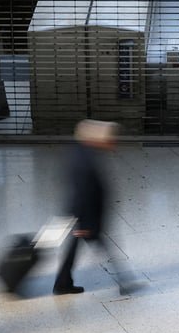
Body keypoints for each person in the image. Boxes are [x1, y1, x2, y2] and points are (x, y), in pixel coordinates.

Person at [53, 119, 139, 296]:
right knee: (104, 248)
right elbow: (83, 191)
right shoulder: (86, 160)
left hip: (80, 214)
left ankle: (63, 283)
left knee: (74, 250)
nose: (112, 143)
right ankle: (124, 282)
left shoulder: (82, 153)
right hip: (85, 216)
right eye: (109, 139)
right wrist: (84, 223)